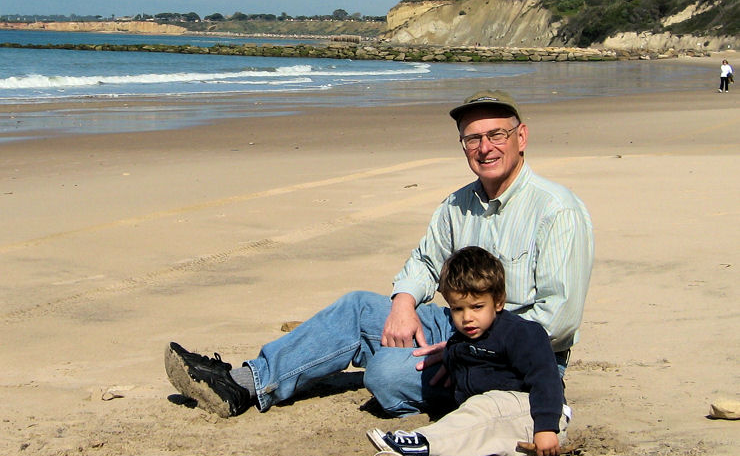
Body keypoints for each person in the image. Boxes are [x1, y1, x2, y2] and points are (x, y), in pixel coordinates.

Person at [165, 90, 593, 419]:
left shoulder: (556, 211)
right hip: (457, 323)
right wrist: (405, 303)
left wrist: (465, 349)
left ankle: (363, 357)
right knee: (358, 308)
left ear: (521, 137)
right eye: (473, 138)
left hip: (520, 359)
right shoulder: (456, 205)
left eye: (496, 134)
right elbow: (426, 263)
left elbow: (558, 319)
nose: (485, 147)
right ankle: (244, 384)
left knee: (386, 376)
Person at [365, 245, 570, 456]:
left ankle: (421, 442)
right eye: (457, 309)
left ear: (499, 302)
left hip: (538, 415)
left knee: (483, 411)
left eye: (477, 307)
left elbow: (546, 379)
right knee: (475, 443)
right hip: (500, 428)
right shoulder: (459, 343)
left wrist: (546, 428)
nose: (467, 317)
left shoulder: (522, 333)